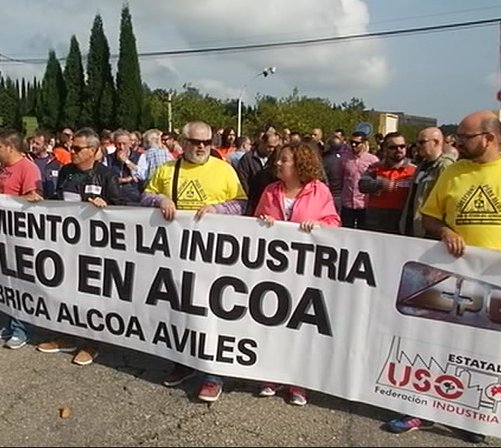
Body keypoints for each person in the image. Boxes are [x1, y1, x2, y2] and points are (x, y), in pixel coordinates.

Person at [384, 111, 501, 443]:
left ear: (489, 138)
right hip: (449, 276)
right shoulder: (454, 172)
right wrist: (445, 231)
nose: (457, 141)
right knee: (435, 345)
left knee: (484, 353)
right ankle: (421, 409)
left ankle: (474, 416)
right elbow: (430, 217)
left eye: (464, 136)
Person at [141, 120, 247, 403]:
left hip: (215, 257)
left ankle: (213, 375)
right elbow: (145, 196)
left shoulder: (224, 169)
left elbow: (241, 204)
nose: (202, 147)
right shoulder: (166, 169)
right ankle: (184, 362)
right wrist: (160, 199)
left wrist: (217, 209)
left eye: (207, 142)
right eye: (196, 142)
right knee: (180, 309)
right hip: (176, 255)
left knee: (212, 312)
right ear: (183, 142)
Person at [253, 142, 340, 406]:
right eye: (278, 160)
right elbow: (254, 221)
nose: (277, 164)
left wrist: (320, 225)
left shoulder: (319, 191)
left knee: (300, 325)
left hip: (306, 270)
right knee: (272, 320)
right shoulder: (270, 190)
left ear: (300, 164)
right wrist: (263, 222)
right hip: (275, 270)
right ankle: (270, 374)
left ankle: (298, 382)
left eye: (284, 160)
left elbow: (334, 222)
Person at [36, 128, 124, 365]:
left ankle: (91, 343)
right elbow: (58, 202)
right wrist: (39, 201)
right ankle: (68, 335)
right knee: (66, 291)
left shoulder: (107, 175)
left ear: (94, 151)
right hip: (68, 246)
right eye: (71, 147)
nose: (71, 152)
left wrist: (107, 205)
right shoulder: (66, 171)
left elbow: (123, 209)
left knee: (91, 296)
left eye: (77, 148)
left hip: (96, 249)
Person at [0, 130, 43, 349]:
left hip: (19, 234)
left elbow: (34, 198)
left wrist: (4, 200)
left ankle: (21, 328)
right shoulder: (3, 167)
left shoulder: (27, 168)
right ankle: (10, 321)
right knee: (5, 279)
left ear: (10, 147)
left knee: (20, 282)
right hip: (0, 232)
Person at [398, 127, 455, 237]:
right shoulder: (422, 166)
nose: (418, 146)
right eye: (417, 142)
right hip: (413, 227)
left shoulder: (445, 166)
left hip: (430, 231)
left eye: (422, 142)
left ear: (436, 142)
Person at [358, 132, 416, 234]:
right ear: (385, 149)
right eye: (393, 147)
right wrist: (380, 184)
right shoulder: (375, 167)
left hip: (402, 220)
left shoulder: (414, 170)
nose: (399, 150)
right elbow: (362, 185)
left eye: (402, 146)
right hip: (376, 220)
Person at [340, 132, 379, 229]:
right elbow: (341, 178)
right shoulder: (344, 159)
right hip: (347, 203)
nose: (353, 145)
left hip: (364, 204)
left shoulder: (372, 160)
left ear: (364, 143)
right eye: (352, 142)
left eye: (357, 143)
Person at [103, 130, 144, 205]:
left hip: (133, 198)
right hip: (113, 198)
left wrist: (127, 161)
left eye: (124, 144)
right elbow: (104, 176)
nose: (121, 147)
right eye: (118, 144)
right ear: (114, 144)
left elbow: (142, 176)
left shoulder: (140, 157)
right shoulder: (108, 158)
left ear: (130, 144)